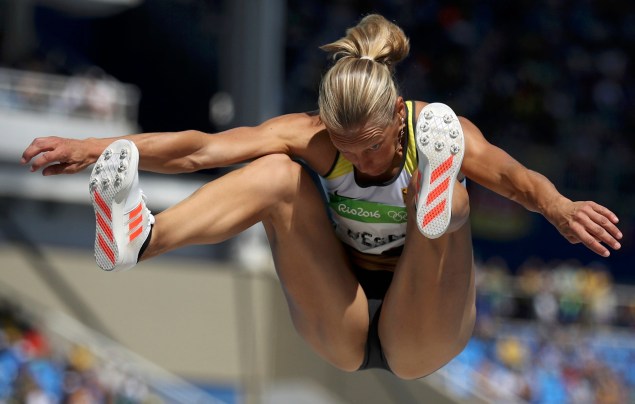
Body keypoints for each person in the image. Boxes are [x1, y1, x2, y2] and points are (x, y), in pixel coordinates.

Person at [21, 14, 622, 380]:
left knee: (456, 199)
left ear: (395, 119)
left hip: (425, 330)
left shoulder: (439, 131)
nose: (358, 161)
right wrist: (99, 146)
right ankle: (140, 238)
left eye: (371, 148)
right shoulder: (312, 137)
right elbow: (202, 150)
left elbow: (521, 182)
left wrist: (560, 208)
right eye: (344, 147)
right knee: (278, 176)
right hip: (346, 317)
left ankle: (433, 204)